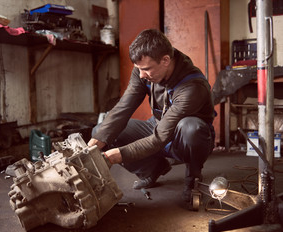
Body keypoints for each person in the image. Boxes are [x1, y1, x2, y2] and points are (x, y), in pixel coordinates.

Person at [87, 29, 215, 202]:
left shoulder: (192, 86)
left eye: (146, 70)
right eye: (139, 69)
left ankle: (193, 179)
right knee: (102, 131)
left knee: (192, 128)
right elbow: (124, 107)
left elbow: (160, 137)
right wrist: (95, 143)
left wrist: (116, 156)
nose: (141, 75)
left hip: (182, 138)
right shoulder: (143, 69)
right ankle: (152, 169)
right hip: (157, 125)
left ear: (165, 60)